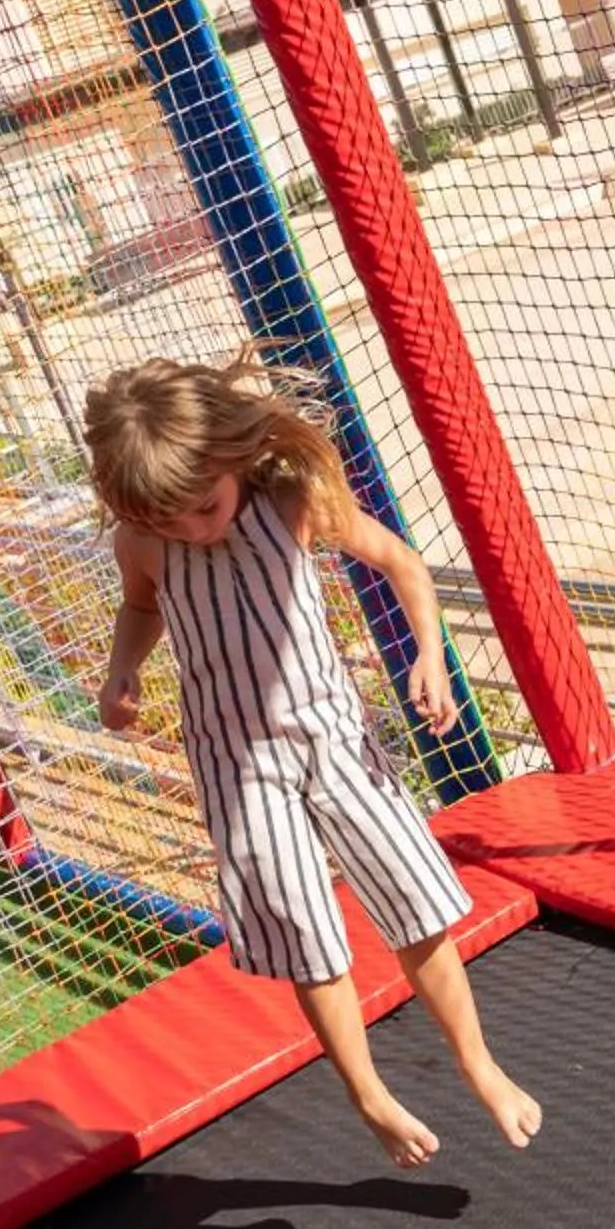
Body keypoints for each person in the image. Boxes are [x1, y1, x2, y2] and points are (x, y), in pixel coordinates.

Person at [84, 351, 541, 1169]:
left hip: (332, 738)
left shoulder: (292, 504)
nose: (195, 526)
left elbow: (403, 564)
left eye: (205, 505)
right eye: (173, 517)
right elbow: (139, 608)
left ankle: (479, 1062)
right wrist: (125, 668)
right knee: (306, 931)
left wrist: (428, 657)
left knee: (415, 904)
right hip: (236, 764)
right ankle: (369, 1094)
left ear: (231, 460)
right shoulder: (145, 542)